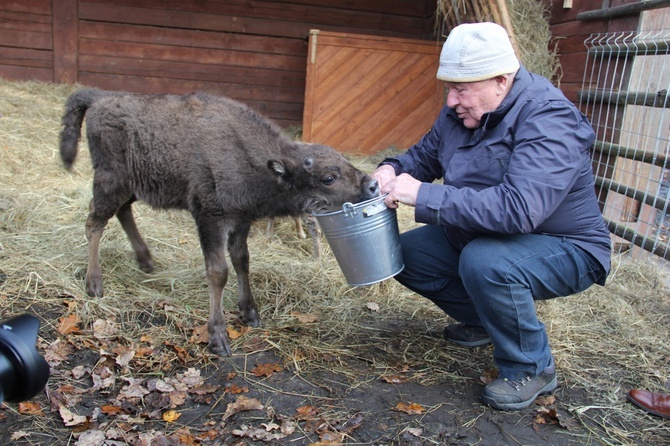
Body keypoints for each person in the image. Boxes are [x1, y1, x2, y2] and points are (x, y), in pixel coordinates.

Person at [371, 22, 611, 411]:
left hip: (566, 246)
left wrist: (420, 193)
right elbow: (424, 156)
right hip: (481, 234)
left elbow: (518, 209)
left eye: (461, 89)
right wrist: (390, 169)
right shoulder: (463, 111)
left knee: (486, 262)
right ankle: (485, 321)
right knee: (400, 254)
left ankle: (532, 366)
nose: (451, 101)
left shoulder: (550, 119)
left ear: (501, 80)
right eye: (449, 88)